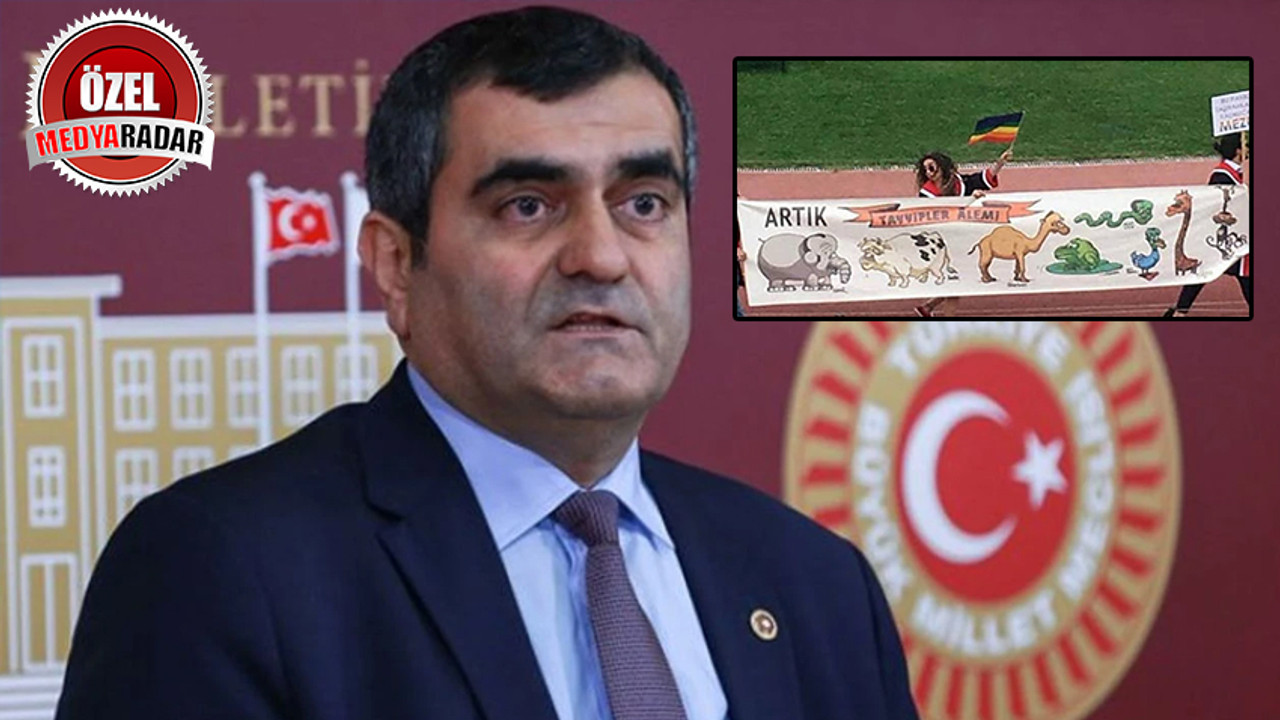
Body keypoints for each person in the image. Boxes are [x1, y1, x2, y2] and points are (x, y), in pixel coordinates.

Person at [55, 8, 918, 720]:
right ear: (397, 264)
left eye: (645, 203)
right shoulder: (221, 572)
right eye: (528, 205)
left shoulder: (813, 583)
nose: (601, 256)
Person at [912, 149, 1012, 316]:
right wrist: (970, 199)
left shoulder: (961, 182)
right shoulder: (926, 193)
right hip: (943, 241)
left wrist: (1000, 162)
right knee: (956, 283)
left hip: (962, 238)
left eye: (932, 167)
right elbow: (938, 213)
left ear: (942, 167)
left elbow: (985, 177)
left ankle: (928, 307)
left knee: (957, 280)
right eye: (925, 170)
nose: (928, 173)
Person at [1164, 133, 1252, 317]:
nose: (1248, 148)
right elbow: (1218, 206)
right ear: (1238, 151)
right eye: (1244, 145)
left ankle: (1180, 311)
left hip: (1230, 233)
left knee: (1206, 271)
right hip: (1224, 235)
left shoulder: (1233, 173)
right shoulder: (1222, 175)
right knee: (1239, 273)